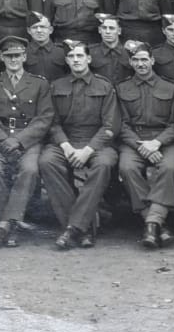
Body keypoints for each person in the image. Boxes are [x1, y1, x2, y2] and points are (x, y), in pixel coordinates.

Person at [39, 37, 120, 248]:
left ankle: (72, 229)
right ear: (66, 60)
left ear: (89, 58)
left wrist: (88, 150)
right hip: (65, 141)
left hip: (97, 143)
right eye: (71, 56)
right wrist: (65, 146)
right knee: (47, 161)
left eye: (80, 56)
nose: (76, 60)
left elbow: (110, 125)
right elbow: (52, 122)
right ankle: (83, 228)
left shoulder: (104, 86)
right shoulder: (56, 86)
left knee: (103, 164)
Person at [0, 35, 54, 245]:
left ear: (24, 57)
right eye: (9, 56)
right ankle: (12, 223)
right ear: (2, 58)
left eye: (17, 55)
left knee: (30, 170)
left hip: (28, 138)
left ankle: (4, 225)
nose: (13, 60)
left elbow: (44, 118)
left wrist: (20, 141)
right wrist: (4, 139)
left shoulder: (39, 83)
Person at [117, 42, 174, 248]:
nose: (140, 64)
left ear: (152, 61)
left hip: (165, 140)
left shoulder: (171, 87)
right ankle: (155, 223)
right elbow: (121, 124)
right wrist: (141, 146)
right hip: (135, 141)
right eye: (135, 60)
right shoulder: (122, 88)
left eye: (144, 59)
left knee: (169, 167)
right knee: (127, 167)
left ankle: (152, 223)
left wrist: (157, 142)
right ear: (130, 62)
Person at [23, 13, 67, 82]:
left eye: (43, 27)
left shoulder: (62, 52)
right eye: (34, 27)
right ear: (29, 31)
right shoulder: (23, 53)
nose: (39, 31)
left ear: (51, 30)